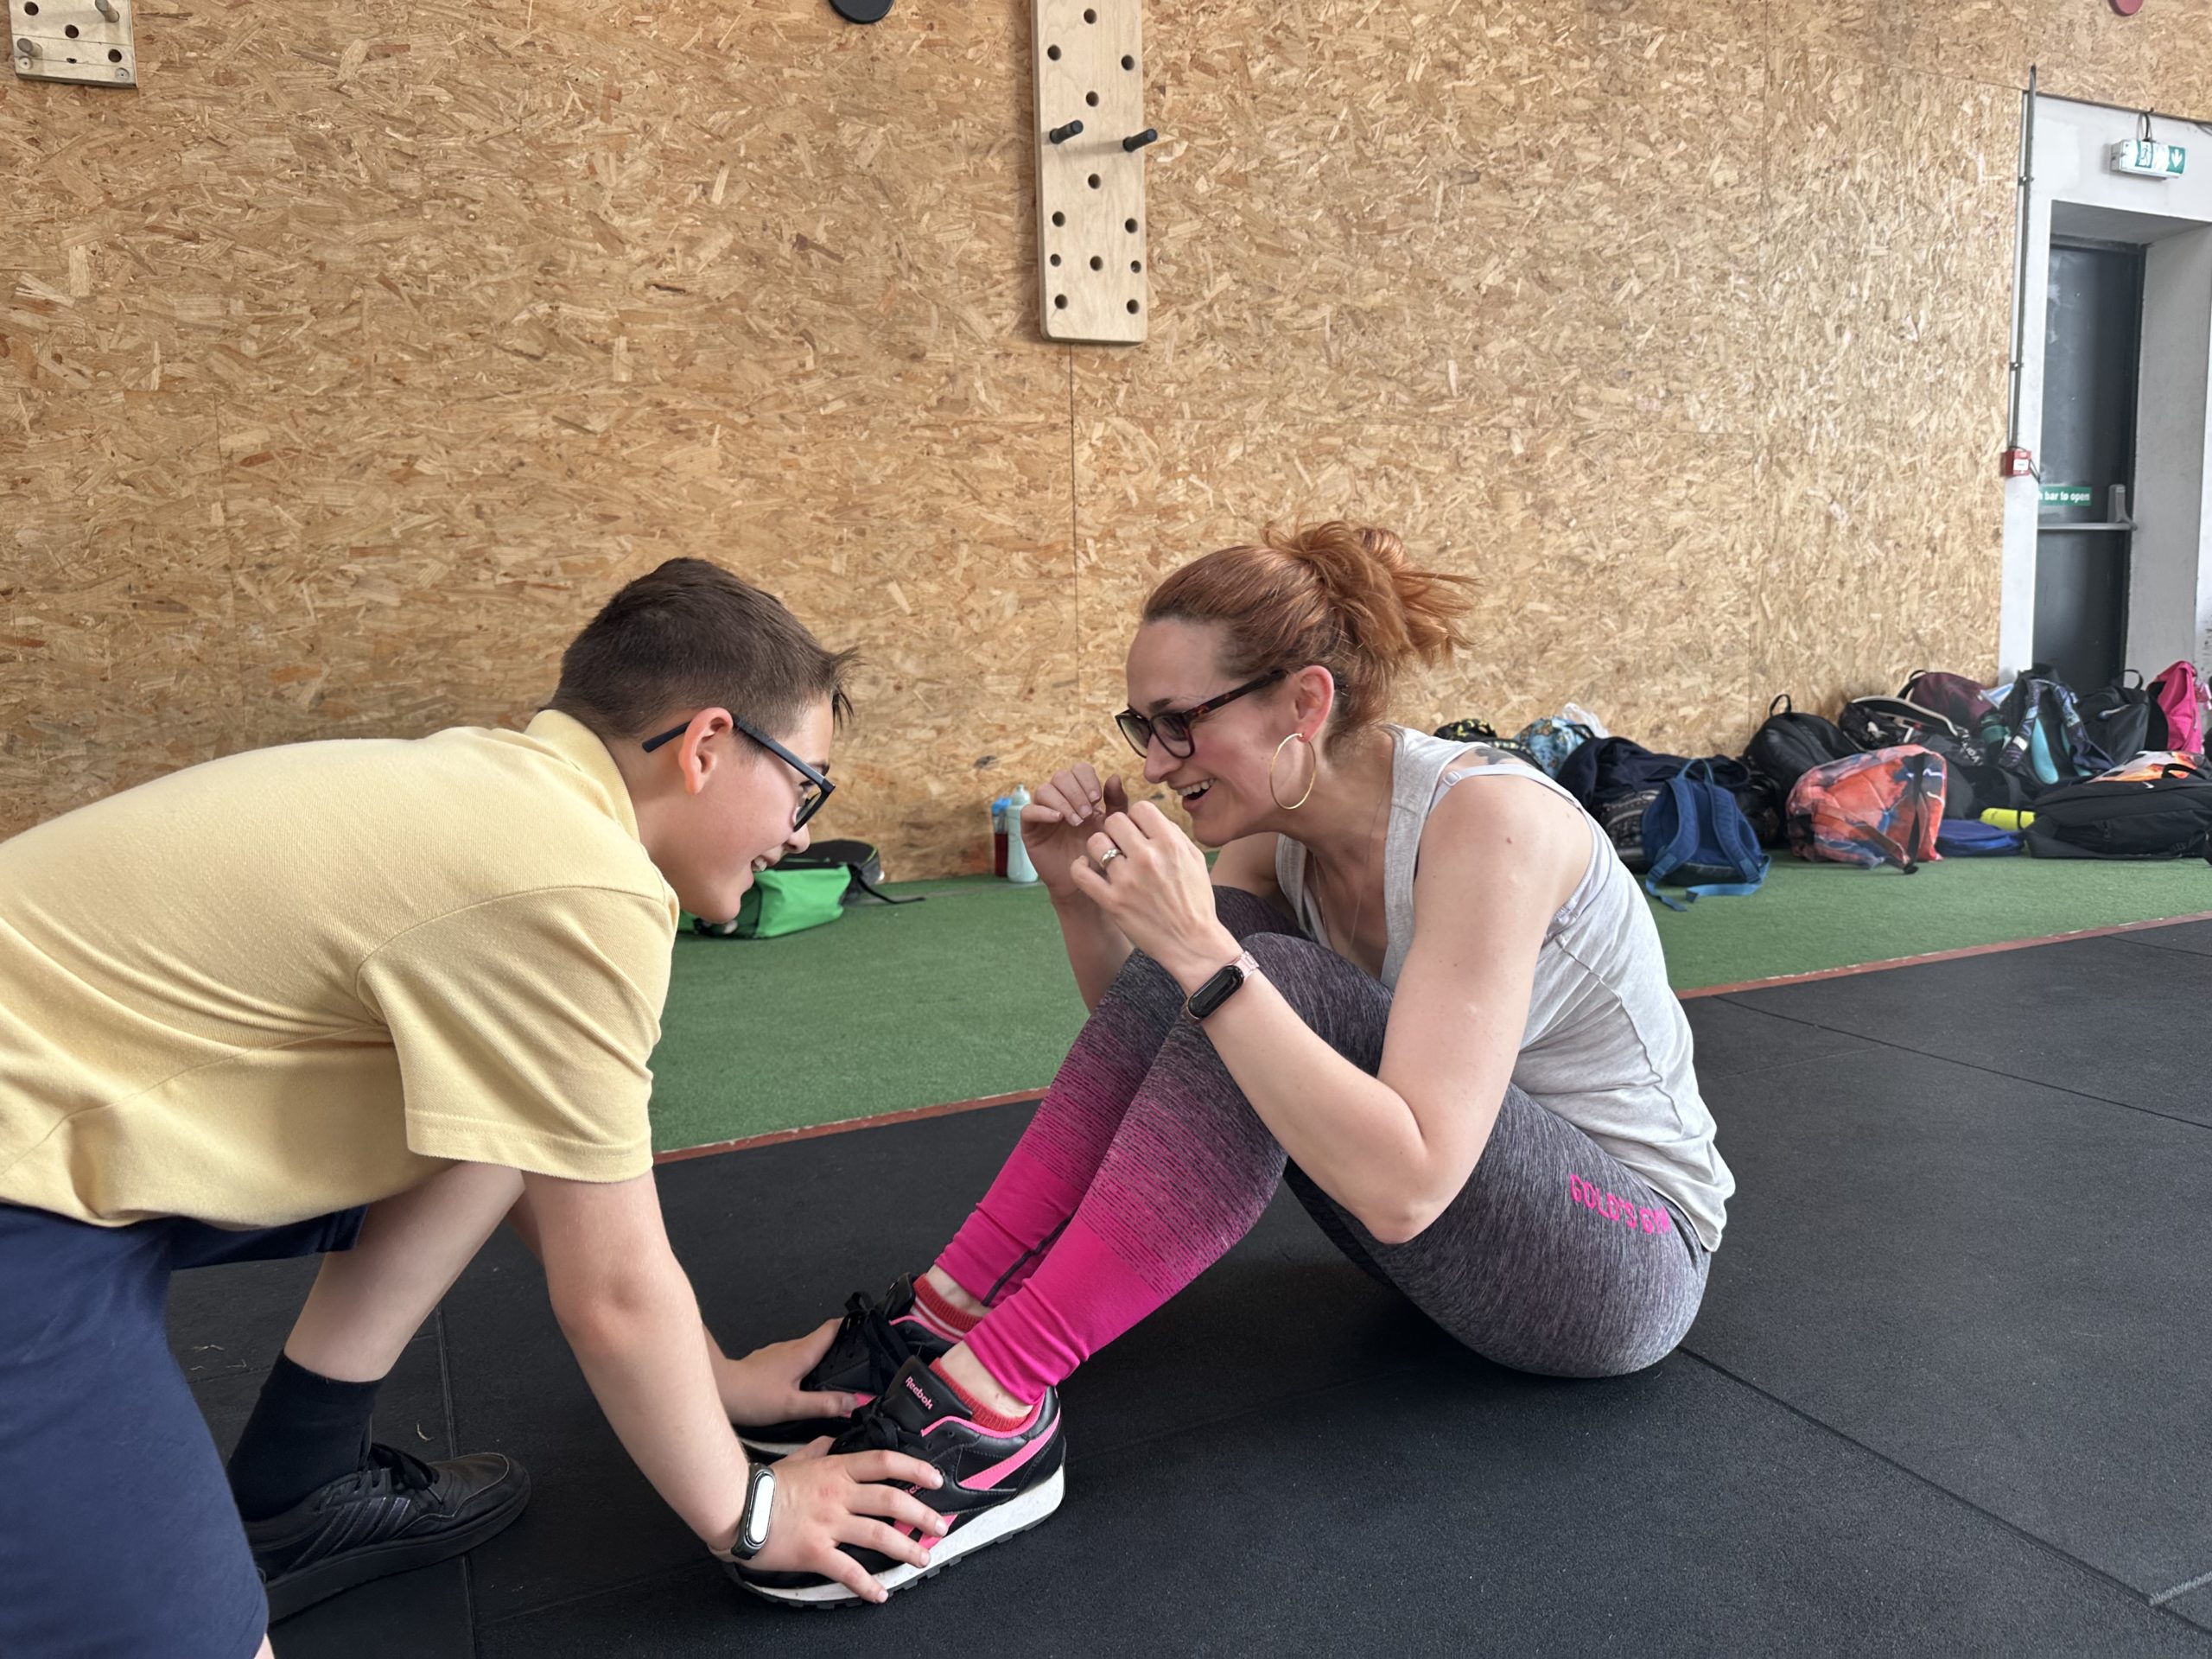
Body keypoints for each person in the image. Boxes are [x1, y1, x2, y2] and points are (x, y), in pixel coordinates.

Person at [730, 522, 1734, 1608]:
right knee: (1232, 952)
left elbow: (1409, 1188)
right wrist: (1085, 897)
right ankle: (947, 1314)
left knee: (1249, 965)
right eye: (1141, 726)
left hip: (1621, 1263)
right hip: (1456, 1237)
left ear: (1302, 705)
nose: (1153, 762)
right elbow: (1170, 1060)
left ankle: (998, 1405)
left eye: (1178, 724)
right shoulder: (1276, 841)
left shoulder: (1488, 824)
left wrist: (1203, 947)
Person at [0, 559, 950, 1659]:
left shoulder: (504, 796)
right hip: (22, 1202)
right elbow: (612, 1292)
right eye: (805, 786)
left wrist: (718, 1380)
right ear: (705, 746)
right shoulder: (576, 881)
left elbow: (543, 1160)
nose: (797, 833)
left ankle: (299, 1487)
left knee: (483, 1133)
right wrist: (752, 1515)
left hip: (58, 1132)